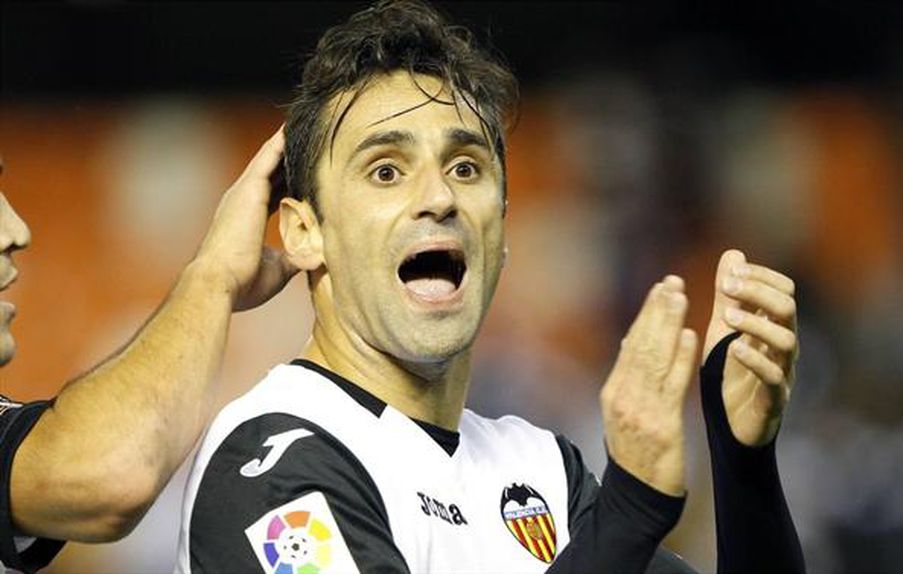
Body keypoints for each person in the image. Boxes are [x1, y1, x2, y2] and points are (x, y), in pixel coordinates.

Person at [178, 1, 804, 572]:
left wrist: (742, 457)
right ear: (305, 232)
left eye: (465, 167)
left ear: (500, 232)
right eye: (387, 170)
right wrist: (630, 508)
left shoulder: (541, 470)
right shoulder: (270, 462)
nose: (439, 197)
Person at [0, 129, 298, 573]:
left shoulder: (286, 332)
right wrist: (214, 274)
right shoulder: (123, 338)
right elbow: (104, 477)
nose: (17, 232)